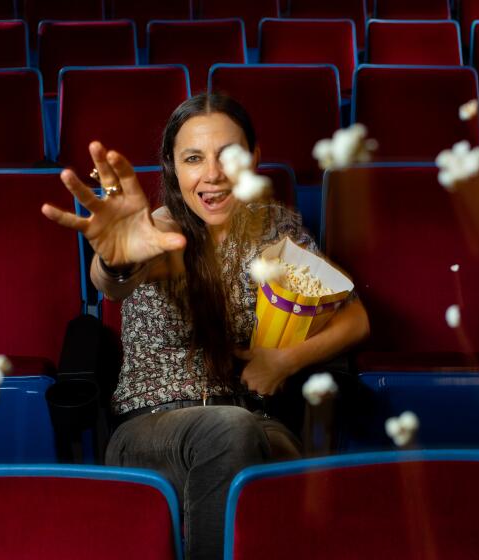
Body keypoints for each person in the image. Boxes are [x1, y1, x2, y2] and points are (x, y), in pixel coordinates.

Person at [42, 93, 369, 559]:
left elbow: (355, 317)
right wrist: (114, 261)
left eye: (228, 155)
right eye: (193, 158)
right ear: (173, 168)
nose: (212, 174)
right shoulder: (158, 233)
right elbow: (115, 281)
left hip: (253, 421)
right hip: (150, 430)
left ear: (254, 158)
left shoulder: (276, 230)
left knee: (285, 462)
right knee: (232, 432)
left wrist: (283, 360)